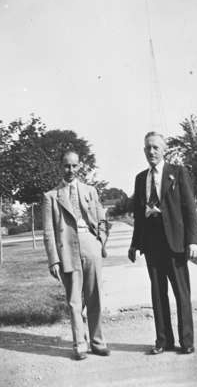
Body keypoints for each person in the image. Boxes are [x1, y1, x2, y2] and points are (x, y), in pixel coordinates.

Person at [128, 131, 197, 355]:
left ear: (164, 149)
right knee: (158, 295)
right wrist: (134, 244)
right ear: (143, 150)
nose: (151, 151)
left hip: (175, 244)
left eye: (156, 147)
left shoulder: (178, 173)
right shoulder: (141, 178)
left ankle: (186, 341)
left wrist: (193, 241)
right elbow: (138, 216)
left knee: (181, 293)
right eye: (148, 147)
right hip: (151, 244)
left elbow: (189, 210)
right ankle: (163, 340)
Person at [42, 150, 110, 360]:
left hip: (90, 245)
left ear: (80, 166)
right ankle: (80, 343)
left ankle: (98, 342)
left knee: (95, 295)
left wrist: (100, 241)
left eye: (74, 166)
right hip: (67, 250)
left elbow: (101, 220)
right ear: (60, 167)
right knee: (74, 300)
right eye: (65, 166)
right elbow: (48, 231)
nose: (70, 170)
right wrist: (53, 258)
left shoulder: (90, 190)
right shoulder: (51, 196)